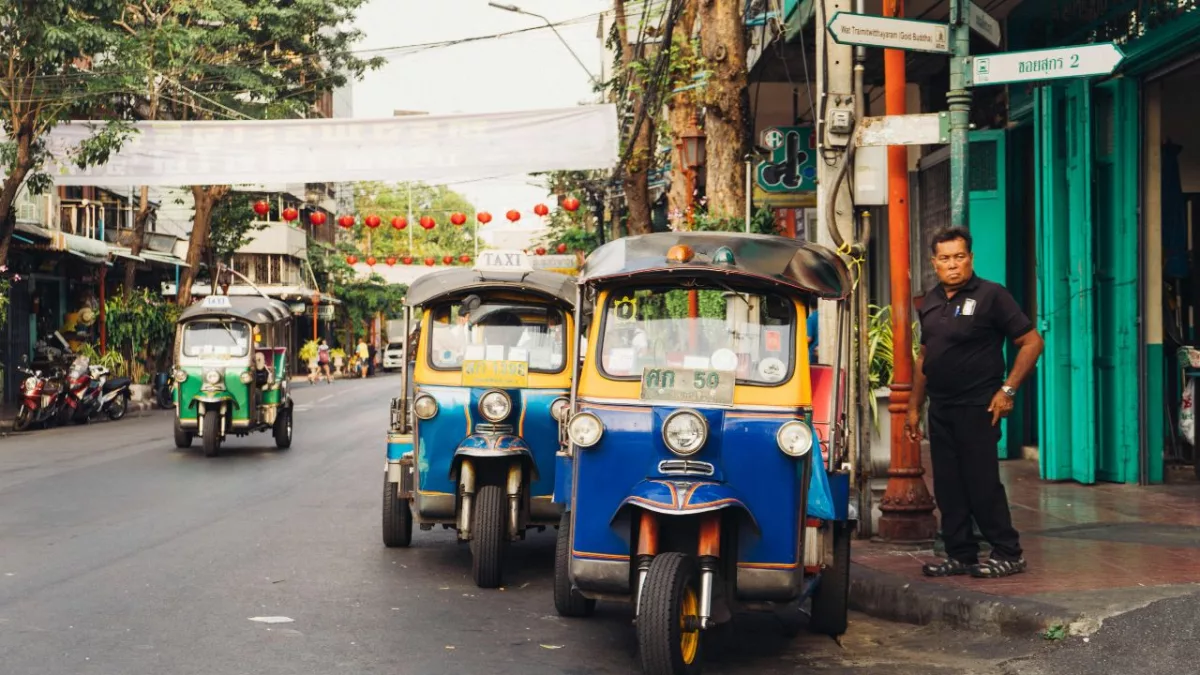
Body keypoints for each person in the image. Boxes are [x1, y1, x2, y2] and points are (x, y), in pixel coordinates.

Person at [906, 227, 1044, 579]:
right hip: (942, 407)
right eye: (945, 258)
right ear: (934, 262)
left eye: (960, 256)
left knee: (981, 483)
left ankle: (1008, 552)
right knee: (949, 486)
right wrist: (913, 407)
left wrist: (1008, 390)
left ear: (970, 258)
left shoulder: (991, 295)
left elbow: (1031, 343)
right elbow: (925, 357)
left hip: (980, 406)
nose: (953, 265)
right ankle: (960, 554)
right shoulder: (932, 301)